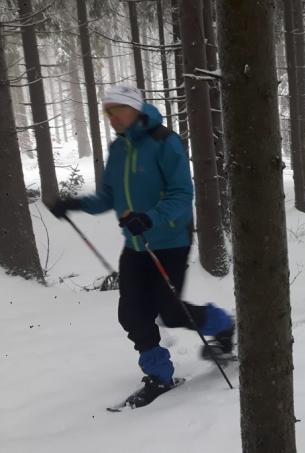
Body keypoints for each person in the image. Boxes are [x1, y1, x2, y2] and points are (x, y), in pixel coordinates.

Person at [45, 86, 234, 408]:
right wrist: (74, 204)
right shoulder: (118, 149)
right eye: (108, 111)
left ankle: (222, 323)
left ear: (136, 109)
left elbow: (181, 194)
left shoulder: (164, 142)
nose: (112, 117)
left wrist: (150, 218)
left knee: (171, 312)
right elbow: (109, 196)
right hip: (134, 244)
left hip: (170, 241)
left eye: (117, 109)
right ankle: (160, 376)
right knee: (132, 315)